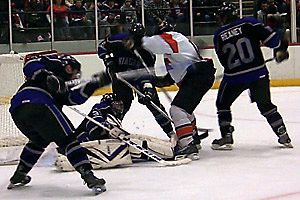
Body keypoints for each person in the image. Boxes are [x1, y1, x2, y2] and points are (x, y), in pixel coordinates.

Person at [7, 51, 111, 194]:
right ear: (68, 67)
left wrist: (95, 84)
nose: (75, 77)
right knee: (69, 140)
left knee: (38, 140)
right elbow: (30, 64)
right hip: (40, 103)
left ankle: (19, 174)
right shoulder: (53, 63)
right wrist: (46, 76)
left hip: (18, 111)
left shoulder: (60, 86)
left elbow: (73, 99)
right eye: (75, 73)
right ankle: (89, 177)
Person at [126, 21, 216, 160]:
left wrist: (135, 39)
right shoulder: (177, 46)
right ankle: (193, 138)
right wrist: (154, 80)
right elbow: (171, 78)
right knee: (185, 111)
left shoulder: (171, 37)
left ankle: (188, 145)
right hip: (200, 75)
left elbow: (148, 43)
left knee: (177, 110)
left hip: (198, 75)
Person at [211, 2, 292, 150]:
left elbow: (223, 60)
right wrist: (280, 50)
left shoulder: (218, 35)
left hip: (234, 77)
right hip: (257, 72)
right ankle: (283, 134)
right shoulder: (250, 23)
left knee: (222, 104)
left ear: (223, 18)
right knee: (265, 105)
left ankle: (226, 136)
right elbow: (273, 42)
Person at [55, 93, 175, 171]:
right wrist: (108, 128)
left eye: (120, 103)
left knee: (132, 137)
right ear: (109, 104)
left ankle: (169, 147)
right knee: (130, 145)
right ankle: (169, 152)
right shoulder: (101, 108)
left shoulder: (111, 114)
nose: (120, 106)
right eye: (116, 103)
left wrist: (114, 131)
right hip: (85, 144)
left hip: (94, 143)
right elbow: (94, 127)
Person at [97, 23, 176, 143]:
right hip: (120, 78)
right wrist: (108, 60)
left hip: (139, 78)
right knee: (121, 105)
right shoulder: (118, 40)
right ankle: (111, 131)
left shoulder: (148, 52)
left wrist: (147, 90)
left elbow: (146, 75)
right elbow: (102, 46)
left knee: (153, 104)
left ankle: (171, 133)